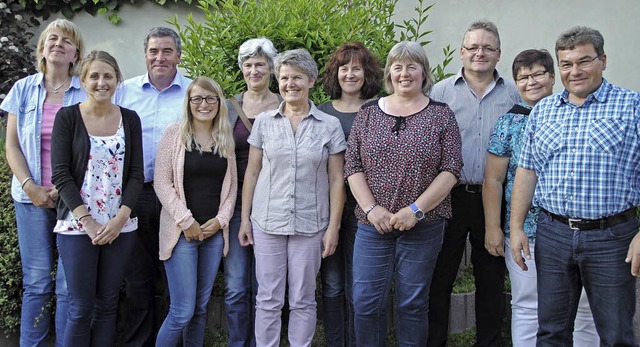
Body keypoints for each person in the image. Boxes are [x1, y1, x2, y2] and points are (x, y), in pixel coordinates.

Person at [510, 26, 640, 346]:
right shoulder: (543, 111)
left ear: (603, 61)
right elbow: (527, 171)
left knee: (616, 335)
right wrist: (516, 227)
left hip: (612, 238)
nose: (575, 71)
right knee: (551, 332)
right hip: (553, 235)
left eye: (584, 61)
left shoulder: (632, 107)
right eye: (566, 64)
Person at [345, 41, 462, 346]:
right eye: (397, 66)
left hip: (424, 225)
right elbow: (352, 166)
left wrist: (415, 210)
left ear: (424, 72)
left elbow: (451, 169)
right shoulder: (368, 113)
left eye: (412, 66)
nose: (404, 73)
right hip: (373, 226)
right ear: (389, 73)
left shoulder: (441, 115)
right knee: (366, 302)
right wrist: (372, 209)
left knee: (412, 304)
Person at [482, 49, 599, 347]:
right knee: (527, 302)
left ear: (551, 76)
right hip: (525, 230)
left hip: (574, 229)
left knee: (584, 304)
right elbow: (494, 180)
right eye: (523, 77)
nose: (531, 82)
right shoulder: (509, 123)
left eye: (537, 74)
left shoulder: (577, 113)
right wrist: (494, 227)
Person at [238, 48, 346, 347]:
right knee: (268, 298)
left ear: (311, 80)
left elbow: (337, 180)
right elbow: (253, 172)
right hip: (267, 221)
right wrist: (245, 219)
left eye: (297, 77)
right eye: (284, 78)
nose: (290, 84)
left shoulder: (329, 125)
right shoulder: (264, 122)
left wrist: (333, 227)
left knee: (302, 298)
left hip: (311, 223)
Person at [428, 20, 520, 347]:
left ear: (498, 54)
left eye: (488, 48)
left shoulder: (513, 92)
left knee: (491, 277)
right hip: (449, 197)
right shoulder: (439, 92)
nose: (480, 53)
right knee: (440, 276)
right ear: (462, 52)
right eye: (473, 47)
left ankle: (490, 342)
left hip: (493, 200)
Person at [1, 18, 85, 347]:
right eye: (52, 38)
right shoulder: (22, 90)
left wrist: (63, 188)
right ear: (42, 49)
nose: (58, 43)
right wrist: (30, 187)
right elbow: (12, 146)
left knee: (68, 285)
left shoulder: (85, 91)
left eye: (66, 40)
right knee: (36, 282)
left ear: (76, 53)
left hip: (72, 200)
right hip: (29, 199)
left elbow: (94, 146)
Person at [51, 50, 143, 347]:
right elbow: (61, 174)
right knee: (80, 308)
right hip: (78, 226)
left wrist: (120, 219)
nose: (101, 82)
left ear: (117, 80)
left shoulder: (130, 119)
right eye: (94, 76)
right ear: (83, 79)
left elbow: (136, 175)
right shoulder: (68, 117)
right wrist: (88, 221)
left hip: (120, 226)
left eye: (108, 76)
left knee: (107, 304)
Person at [115, 26, 192, 347]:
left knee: (175, 280)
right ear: (145, 54)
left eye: (167, 51)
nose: (160, 57)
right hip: (137, 195)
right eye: (153, 51)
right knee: (138, 278)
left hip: (178, 199)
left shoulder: (193, 92)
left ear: (179, 55)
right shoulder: (124, 92)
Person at [154, 76, 236, 346]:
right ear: (188, 103)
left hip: (212, 234)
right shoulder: (174, 134)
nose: (204, 104)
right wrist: (185, 221)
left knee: (200, 309)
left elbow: (232, 186)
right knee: (182, 311)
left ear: (219, 102)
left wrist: (221, 220)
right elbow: (162, 183)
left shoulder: (225, 139)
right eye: (197, 98)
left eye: (210, 98)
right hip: (181, 235)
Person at [318, 41, 382, 347]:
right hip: (326, 211)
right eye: (344, 68)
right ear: (336, 73)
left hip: (366, 210)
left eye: (357, 68)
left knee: (361, 287)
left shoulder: (380, 110)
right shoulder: (320, 112)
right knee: (331, 286)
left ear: (367, 73)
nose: (350, 74)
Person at [225, 37, 281, 347]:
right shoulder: (228, 107)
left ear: (272, 68)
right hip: (235, 204)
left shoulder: (285, 105)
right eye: (248, 65)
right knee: (235, 286)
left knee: (267, 286)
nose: (254, 70)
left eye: (260, 64)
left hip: (273, 204)